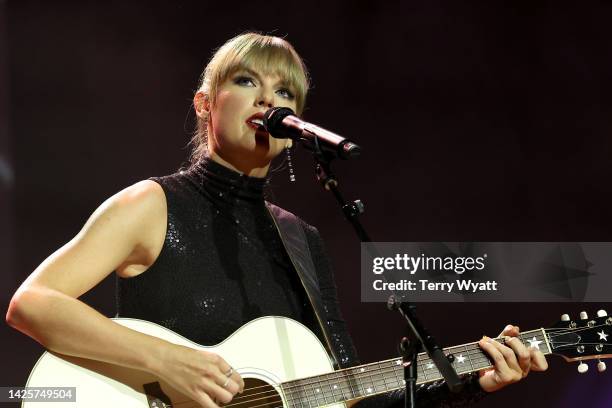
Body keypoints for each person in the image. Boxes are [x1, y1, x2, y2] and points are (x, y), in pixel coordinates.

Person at [6, 32, 547, 407]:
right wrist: (169, 362)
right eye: (246, 82)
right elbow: (32, 304)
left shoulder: (301, 240)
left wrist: (467, 382)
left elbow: (346, 396)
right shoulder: (151, 205)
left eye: (285, 92)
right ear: (204, 104)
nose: (268, 100)